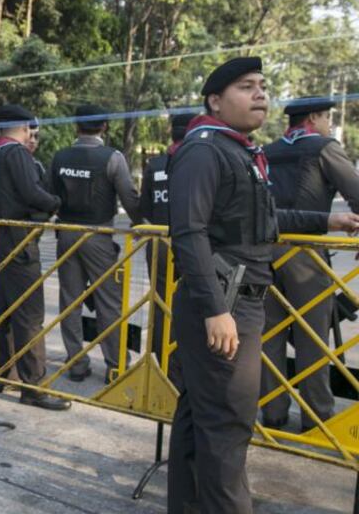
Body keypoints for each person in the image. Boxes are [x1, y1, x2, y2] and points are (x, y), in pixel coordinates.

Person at [166, 57, 359, 513]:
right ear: (215, 101)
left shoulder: (240, 151)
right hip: (225, 303)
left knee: (201, 418)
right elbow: (188, 233)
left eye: (263, 86)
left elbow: (266, 219)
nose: (260, 94)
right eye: (245, 87)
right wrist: (216, 310)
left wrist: (328, 219)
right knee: (228, 427)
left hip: (237, 300)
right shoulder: (204, 150)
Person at [260, 96, 359, 431]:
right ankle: (316, 418)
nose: (328, 125)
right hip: (307, 255)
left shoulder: (267, 151)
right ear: (315, 118)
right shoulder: (324, 147)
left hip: (266, 251)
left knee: (268, 335)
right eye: (326, 118)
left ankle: (272, 414)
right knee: (312, 339)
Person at [0, 104, 68, 410]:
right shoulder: (16, 154)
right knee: (29, 315)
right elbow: (32, 194)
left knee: (3, 311)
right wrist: (57, 203)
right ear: (23, 127)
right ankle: (33, 386)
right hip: (19, 245)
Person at [49, 104, 141, 382]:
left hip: (66, 233)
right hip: (99, 236)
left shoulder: (60, 157)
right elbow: (129, 196)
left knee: (70, 300)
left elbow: (48, 195)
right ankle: (115, 366)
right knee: (108, 302)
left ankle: (75, 363)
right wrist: (140, 222)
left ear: (76, 126)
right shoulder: (112, 158)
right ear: (104, 127)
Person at [138, 111, 196, 365]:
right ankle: (182, 364)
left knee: (161, 303)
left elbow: (145, 209)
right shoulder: (199, 161)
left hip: (159, 242)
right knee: (192, 304)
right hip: (192, 244)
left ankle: (159, 360)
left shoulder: (156, 165)